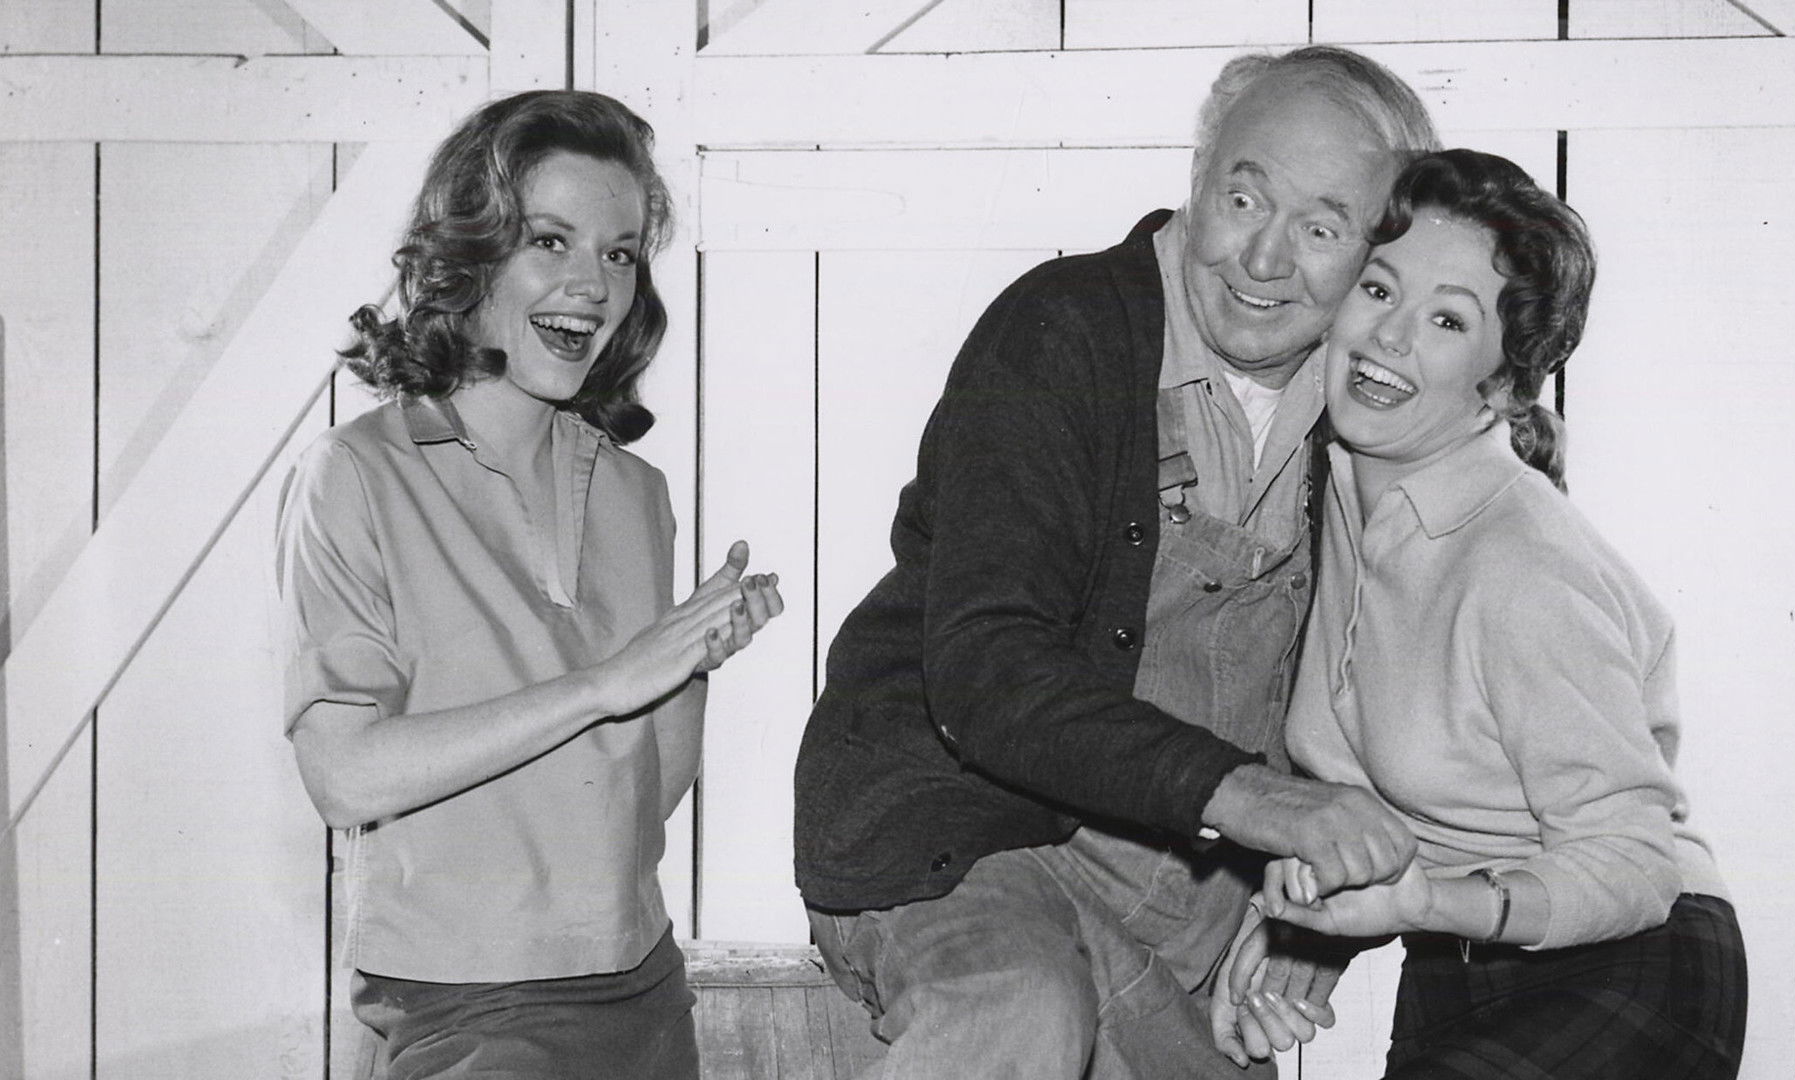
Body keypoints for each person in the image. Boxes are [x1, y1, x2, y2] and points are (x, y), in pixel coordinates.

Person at [793, 47, 1439, 1078]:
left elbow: (1409, 712)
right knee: (1018, 1013)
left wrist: (1318, 916)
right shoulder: (1064, 329)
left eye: (1321, 229)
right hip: (963, 854)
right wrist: (1257, 802)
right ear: (1198, 179)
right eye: (1242, 199)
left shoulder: (1373, 414)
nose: (1263, 258)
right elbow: (990, 668)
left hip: (1173, 924)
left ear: (1376, 258)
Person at [276, 90, 783, 1079]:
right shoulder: (356, 475)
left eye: (620, 253)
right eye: (551, 241)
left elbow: (638, 805)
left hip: (641, 987)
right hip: (462, 1000)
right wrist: (605, 684)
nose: (591, 285)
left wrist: (689, 663)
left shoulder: (637, 493)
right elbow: (343, 778)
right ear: (470, 257)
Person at [1220, 148, 1748, 1078]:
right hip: (1452, 968)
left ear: (1500, 385)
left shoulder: (1523, 562)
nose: (1390, 337)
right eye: (1379, 290)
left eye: (1448, 319)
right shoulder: (1329, 494)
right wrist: (1315, 927)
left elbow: (1635, 865)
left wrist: (1424, 901)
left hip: (1632, 961)